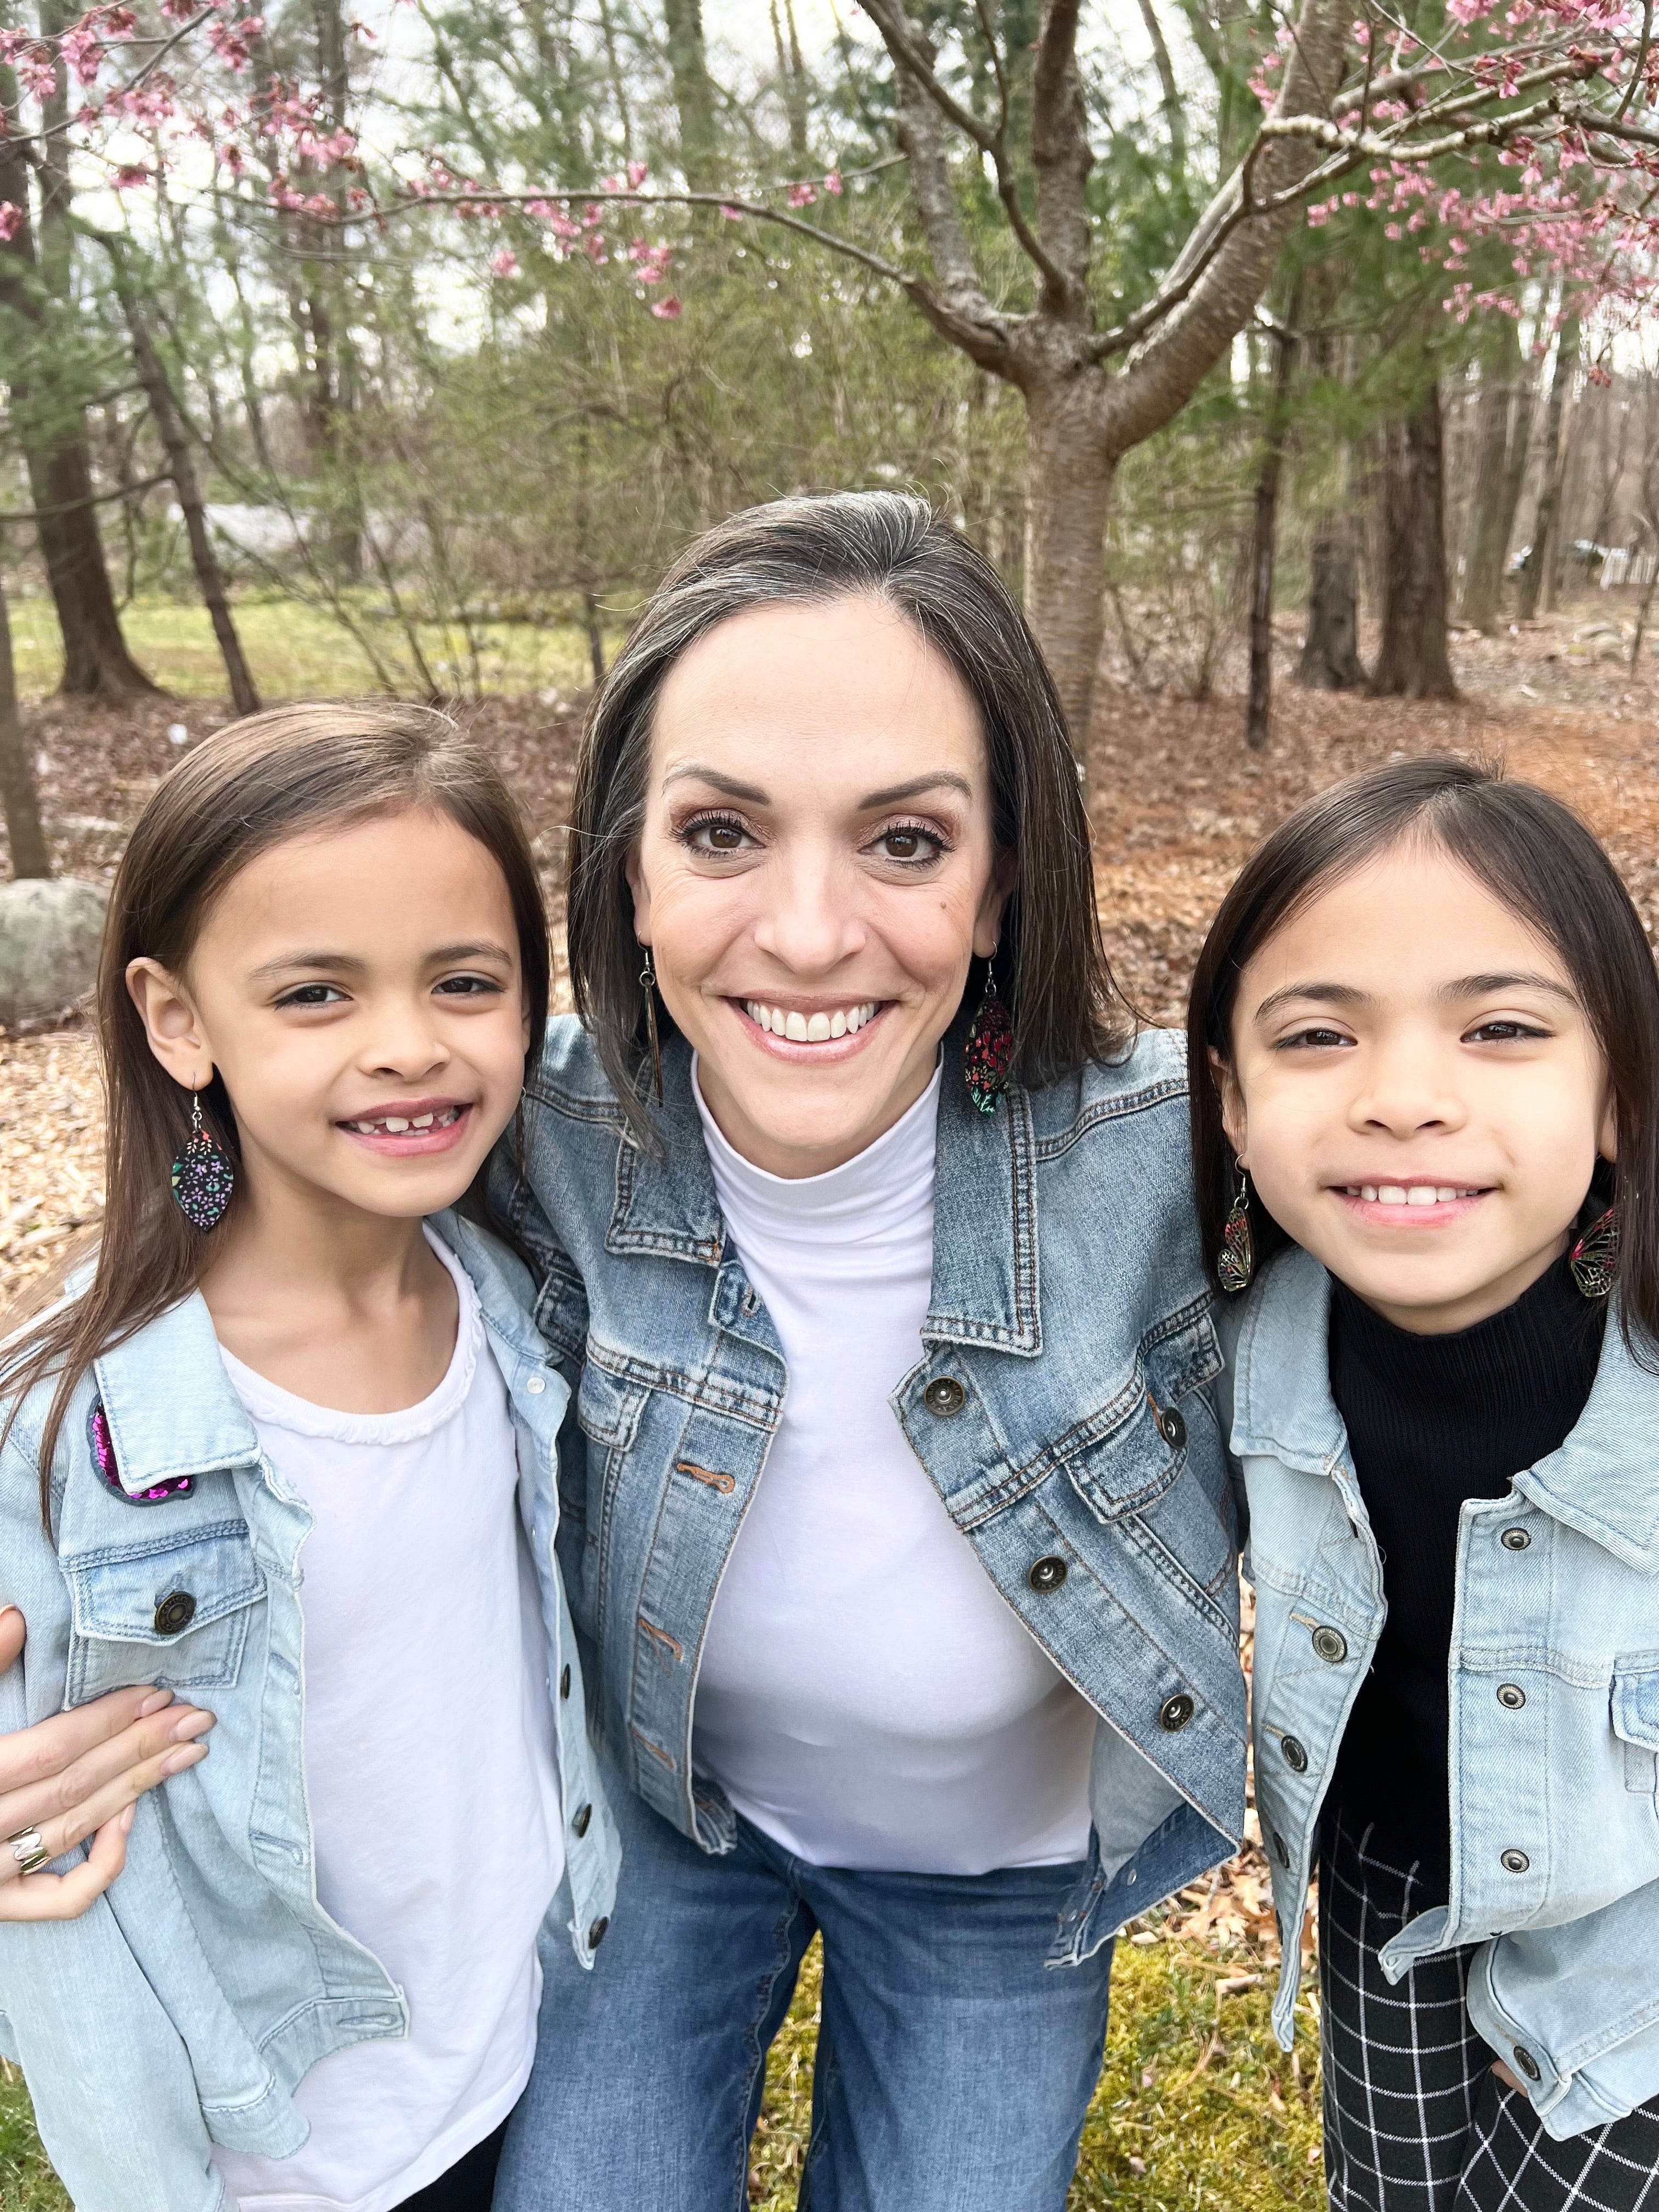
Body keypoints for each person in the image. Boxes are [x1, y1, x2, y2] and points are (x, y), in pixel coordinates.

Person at [487, 491, 1248, 2212]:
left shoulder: (1171, 1164)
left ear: (998, 888)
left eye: (905, 842)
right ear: (632, 873)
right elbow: (217, 1229)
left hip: (998, 1881)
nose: (813, 931)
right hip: (671, 1816)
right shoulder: (530, 1126)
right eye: (723, 834)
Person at [0, 703, 616, 2212]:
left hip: (524, 2052)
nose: (409, 1044)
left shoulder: (509, 1307)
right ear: (177, 1018)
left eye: (464, 982)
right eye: (314, 994)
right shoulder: (81, 1428)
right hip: (280, 2155)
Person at [1189, 755, 1659, 2212]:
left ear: (1619, 1099)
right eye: (1320, 1035)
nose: (1403, 1099)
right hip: (1385, 1889)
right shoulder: (1242, 1337)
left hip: (1631, 1965)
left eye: (1502, 1029)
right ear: (1229, 1099)